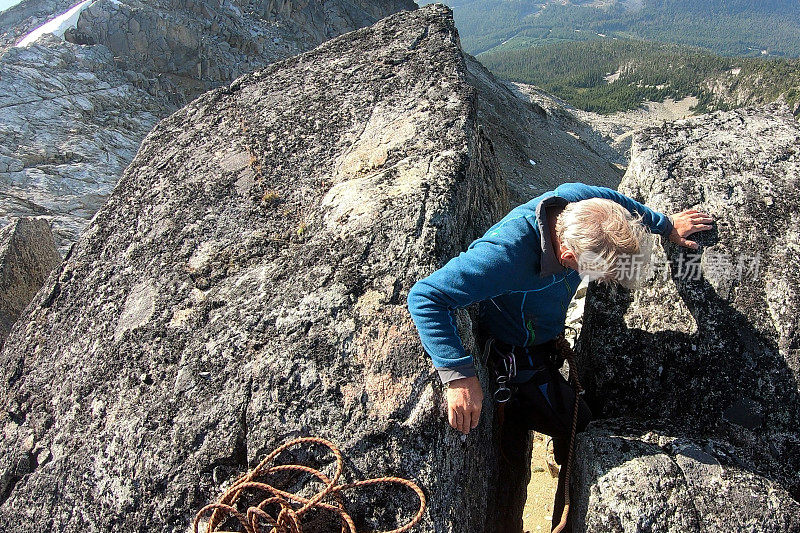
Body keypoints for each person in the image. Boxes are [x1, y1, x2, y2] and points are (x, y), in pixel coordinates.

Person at [406, 182, 713, 531]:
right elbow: (426, 297)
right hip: (515, 350)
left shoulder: (581, 201)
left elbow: (619, 204)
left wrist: (666, 225)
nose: (604, 280)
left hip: (543, 335)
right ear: (568, 257)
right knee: (577, 424)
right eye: (597, 272)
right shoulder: (506, 255)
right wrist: (459, 376)